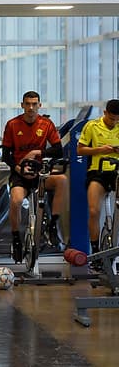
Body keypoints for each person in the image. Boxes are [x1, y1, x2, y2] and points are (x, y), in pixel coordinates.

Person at [1, 91, 66, 262]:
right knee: (15, 200)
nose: (31, 107)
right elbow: (5, 155)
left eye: (34, 104)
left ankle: (52, 226)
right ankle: (16, 239)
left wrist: (38, 151)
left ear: (39, 105)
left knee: (62, 181)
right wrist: (18, 168)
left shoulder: (46, 124)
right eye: (28, 104)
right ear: (22, 105)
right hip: (19, 173)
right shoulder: (12, 125)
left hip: (39, 173)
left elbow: (58, 150)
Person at [76, 99, 119, 267]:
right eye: (111, 118)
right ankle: (95, 252)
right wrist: (101, 150)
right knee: (94, 211)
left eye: (117, 119)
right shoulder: (92, 126)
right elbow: (80, 149)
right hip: (98, 172)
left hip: (117, 172)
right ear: (105, 113)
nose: (114, 122)